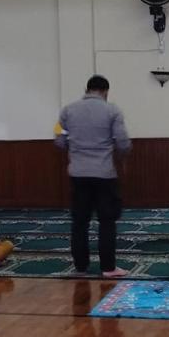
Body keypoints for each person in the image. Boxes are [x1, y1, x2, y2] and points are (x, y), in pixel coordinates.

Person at [55, 74, 132, 277]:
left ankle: (81, 267)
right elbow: (123, 142)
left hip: (78, 173)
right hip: (104, 174)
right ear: (105, 91)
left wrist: (76, 149)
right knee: (106, 221)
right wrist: (120, 155)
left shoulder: (67, 110)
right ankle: (108, 268)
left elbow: (59, 140)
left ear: (86, 89)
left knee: (80, 222)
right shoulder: (112, 110)